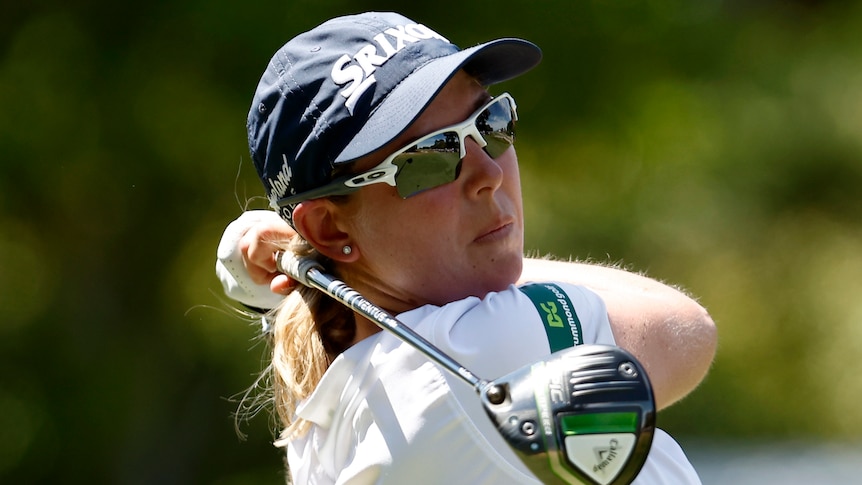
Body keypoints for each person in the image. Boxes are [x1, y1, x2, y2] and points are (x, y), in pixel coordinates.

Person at [216, 11, 717, 484]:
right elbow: (684, 329)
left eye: (490, 123)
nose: (490, 172)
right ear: (330, 229)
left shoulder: (335, 413)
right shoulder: (475, 361)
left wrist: (315, 259)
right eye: (430, 157)